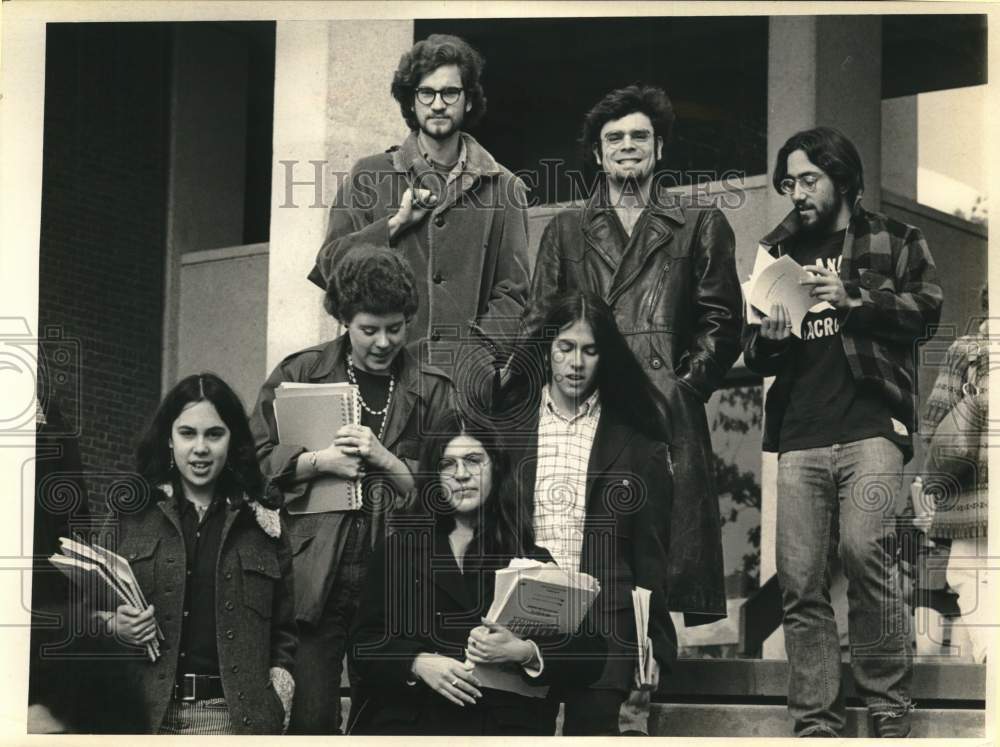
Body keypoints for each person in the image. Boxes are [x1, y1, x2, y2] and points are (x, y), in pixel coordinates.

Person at [743, 126, 943, 738]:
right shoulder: (775, 250)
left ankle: (886, 703)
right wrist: (769, 342)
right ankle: (816, 720)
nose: (797, 193)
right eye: (789, 182)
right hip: (801, 430)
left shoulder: (896, 237)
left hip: (869, 424)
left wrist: (853, 297)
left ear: (841, 178)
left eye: (809, 180)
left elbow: (928, 311)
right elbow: (753, 351)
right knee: (800, 581)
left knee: (866, 553)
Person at [530, 83, 742, 628]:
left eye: (640, 135)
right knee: (582, 542)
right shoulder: (564, 229)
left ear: (660, 149)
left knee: (655, 553)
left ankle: (642, 693)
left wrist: (684, 386)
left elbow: (723, 323)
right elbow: (539, 323)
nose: (628, 145)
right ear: (598, 154)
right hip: (586, 407)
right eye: (615, 137)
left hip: (664, 412)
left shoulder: (700, 223)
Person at [252, 245, 454, 734]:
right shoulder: (300, 372)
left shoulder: (433, 389)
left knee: (384, 723)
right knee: (312, 719)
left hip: (397, 576)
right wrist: (318, 462)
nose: (383, 342)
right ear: (344, 319)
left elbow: (449, 494)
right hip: (313, 571)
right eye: (369, 329)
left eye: (395, 328)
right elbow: (252, 465)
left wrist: (381, 457)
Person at [348, 410, 604, 735]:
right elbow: (362, 645)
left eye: (473, 460)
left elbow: (591, 655)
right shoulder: (398, 550)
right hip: (414, 725)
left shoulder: (530, 557)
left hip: (498, 729)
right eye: (447, 464)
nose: (461, 475)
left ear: (495, 468)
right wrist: (416, 662)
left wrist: (525, 652)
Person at [493, 290, 676, 736]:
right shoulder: (509, 426)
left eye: (590, 350)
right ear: (548, 350)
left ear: (605, 356)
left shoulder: (636, 442)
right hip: (524, 621)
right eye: (566, 347)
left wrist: (650, 643)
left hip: (606, 629)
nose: (576, 362)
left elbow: (651, 555)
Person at [307, 33, 530, 399]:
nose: (438, 104)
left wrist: (475, 359)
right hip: (380, 376)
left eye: (450, 93)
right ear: (412, 101)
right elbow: (330, 269)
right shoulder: (369, 174)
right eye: (426, 93)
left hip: (463, 386)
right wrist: (394, 224)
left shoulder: (504, 188)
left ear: (469, 99)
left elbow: (515, 294)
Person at [93, 373, 297, 735]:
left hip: (231, 721)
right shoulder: (131, 513)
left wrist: (275, 699)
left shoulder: (262, 521)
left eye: (214, 434)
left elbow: (284, 632)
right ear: (169, 440)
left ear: (232, 441)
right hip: (137, 717)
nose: (200, 447)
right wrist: (114, 626)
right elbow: (83, 610)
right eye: (187, 433)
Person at [918, 283, 988, 663]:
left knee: (971, 576)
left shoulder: (966, 351)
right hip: (976, 503)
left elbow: (933, 426)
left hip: (973, 501)